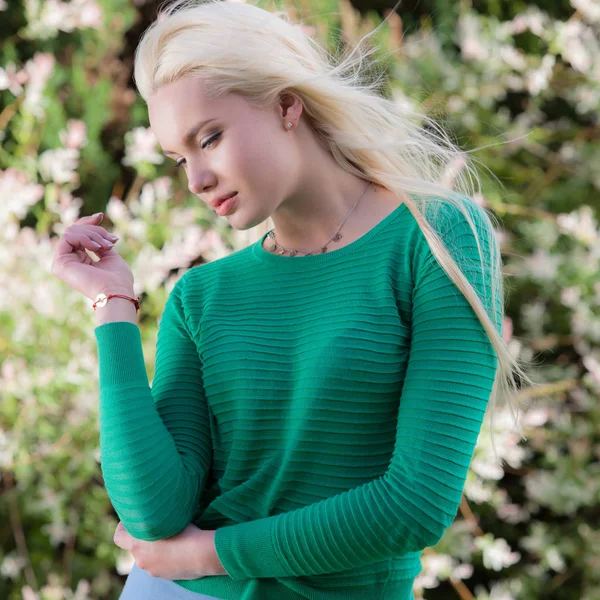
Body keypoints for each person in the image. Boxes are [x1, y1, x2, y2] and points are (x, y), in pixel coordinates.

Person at [51, 0, 536, 598]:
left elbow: (416, 503)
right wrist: (114, 307)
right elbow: (154, 513)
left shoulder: (437, 238)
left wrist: (214, 554)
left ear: (286, 105)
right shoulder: (201, 296)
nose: (196, 179)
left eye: (210, 138)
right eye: (180, 158)